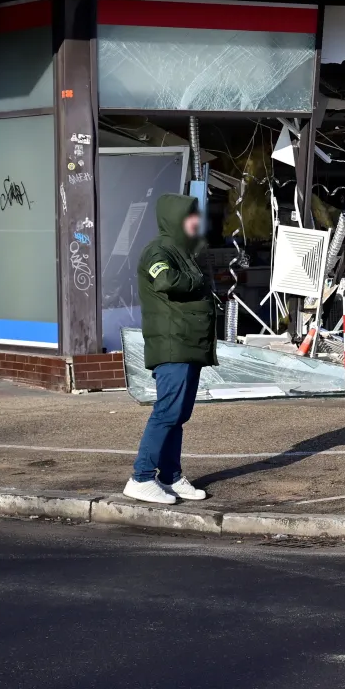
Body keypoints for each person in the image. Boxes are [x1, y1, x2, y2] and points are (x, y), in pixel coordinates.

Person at [124, 194, 218, 505]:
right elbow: (165, 280)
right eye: (192, 217)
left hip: (188, 345)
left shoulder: (184, 251)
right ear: (177, 219)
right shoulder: (159, 250)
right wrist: (198, 279)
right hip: (172, 345)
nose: (197, 223)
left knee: (178, 414)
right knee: (166, 412)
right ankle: (141, 477)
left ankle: (170, 476)